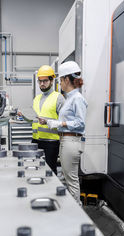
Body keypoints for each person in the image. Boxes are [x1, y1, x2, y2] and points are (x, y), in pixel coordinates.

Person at [46, 61, 87, 205]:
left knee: (72, 181)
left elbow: (80, 123)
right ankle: (72, 208)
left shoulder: (77, 99)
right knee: (67, 178)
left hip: (71, 142)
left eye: (60, 80)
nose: (60, 83)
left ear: (66, 79)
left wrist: (60, 123)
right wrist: (51, 122)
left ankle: (78, 213)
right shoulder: (70, 98)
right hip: (65, 141)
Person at [18, 65, 65, 175]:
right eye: (40, 81)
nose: (42, 84)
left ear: (52, 80)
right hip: (36, 141)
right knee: (34, 169)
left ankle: (51, 191)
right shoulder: (36, 99)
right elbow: (34, 120)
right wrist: (24, 116)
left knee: (50, 171)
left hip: (51, 142)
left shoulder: (59, 98)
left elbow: (63, 123)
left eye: (45, 81)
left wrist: (47, 121)